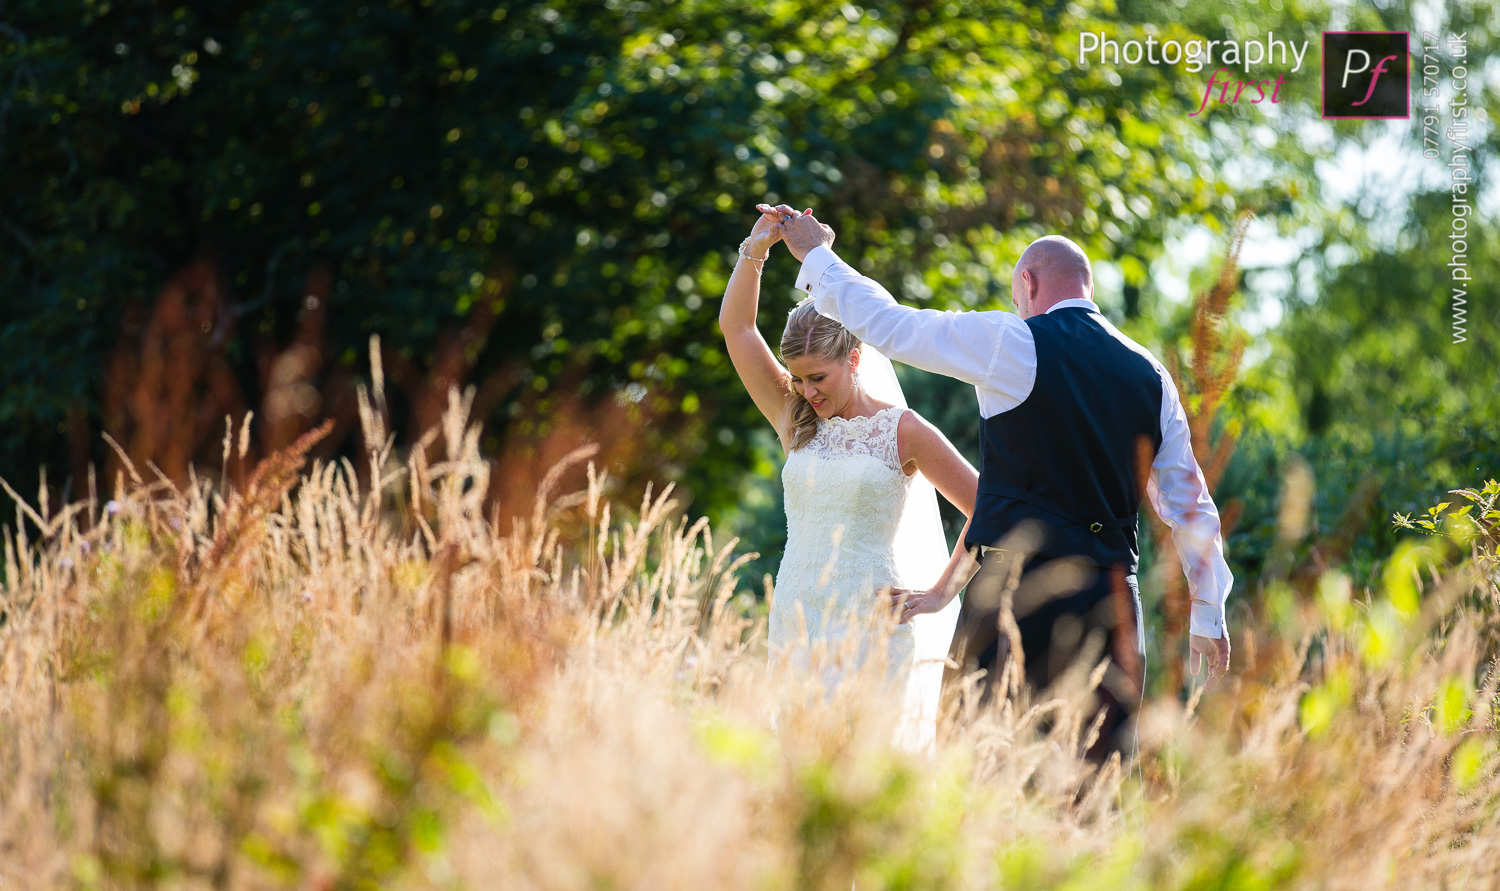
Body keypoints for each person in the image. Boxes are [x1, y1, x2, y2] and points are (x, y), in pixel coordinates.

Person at [775, 213, 1234, 759]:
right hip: (1109, 605)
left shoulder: (1011, 340)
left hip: (1014, 598)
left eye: (1019, 297)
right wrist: (1209, 612)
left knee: (981, 778)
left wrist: (817, 258)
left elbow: (892, 326)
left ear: (1029, 284)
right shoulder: (1151, 374)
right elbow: (1189, 508)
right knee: (1096, 784)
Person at [719, 203, 980, 748]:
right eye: (797, 378)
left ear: (855, 359)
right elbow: (737, 328)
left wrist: (938, 594)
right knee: (799, 769)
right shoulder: (796, 419)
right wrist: (756, 250)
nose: (808, 392)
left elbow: (989, 506)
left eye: (819, 376)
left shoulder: (902, 431)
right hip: (797, 616)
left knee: (862, 773)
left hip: (870, 626)